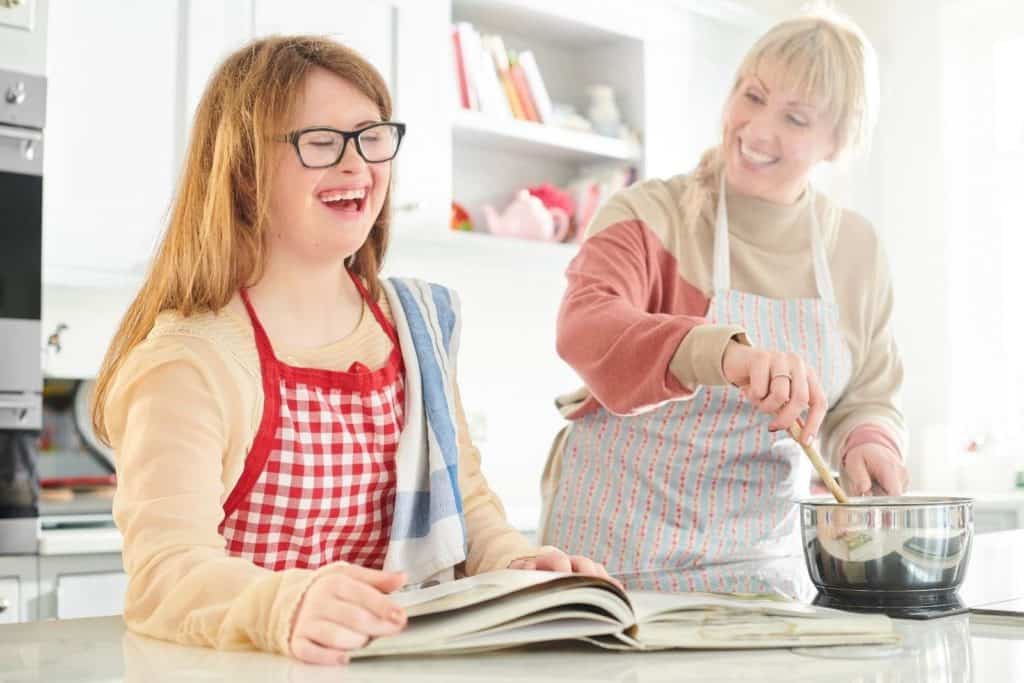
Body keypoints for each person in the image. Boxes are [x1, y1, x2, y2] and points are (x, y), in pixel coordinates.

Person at [92, 35, 610, 666]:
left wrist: (518, 565)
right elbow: (165, 575)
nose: (357, 165)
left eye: (370, 137)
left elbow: (470, 507)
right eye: (318, 142)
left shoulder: (416, 327)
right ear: (245, 173)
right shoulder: (191, 363)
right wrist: (284, 606)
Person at [540, 13, 908, 574]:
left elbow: (867, 392)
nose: (758, 129)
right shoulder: (647, 214)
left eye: (795, 117)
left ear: (837, 141)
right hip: (614, 549)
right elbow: (585, 325)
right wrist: (725, 354)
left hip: (755, 560)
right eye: (752, 95)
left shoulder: (855, 251)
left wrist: (868, 443)